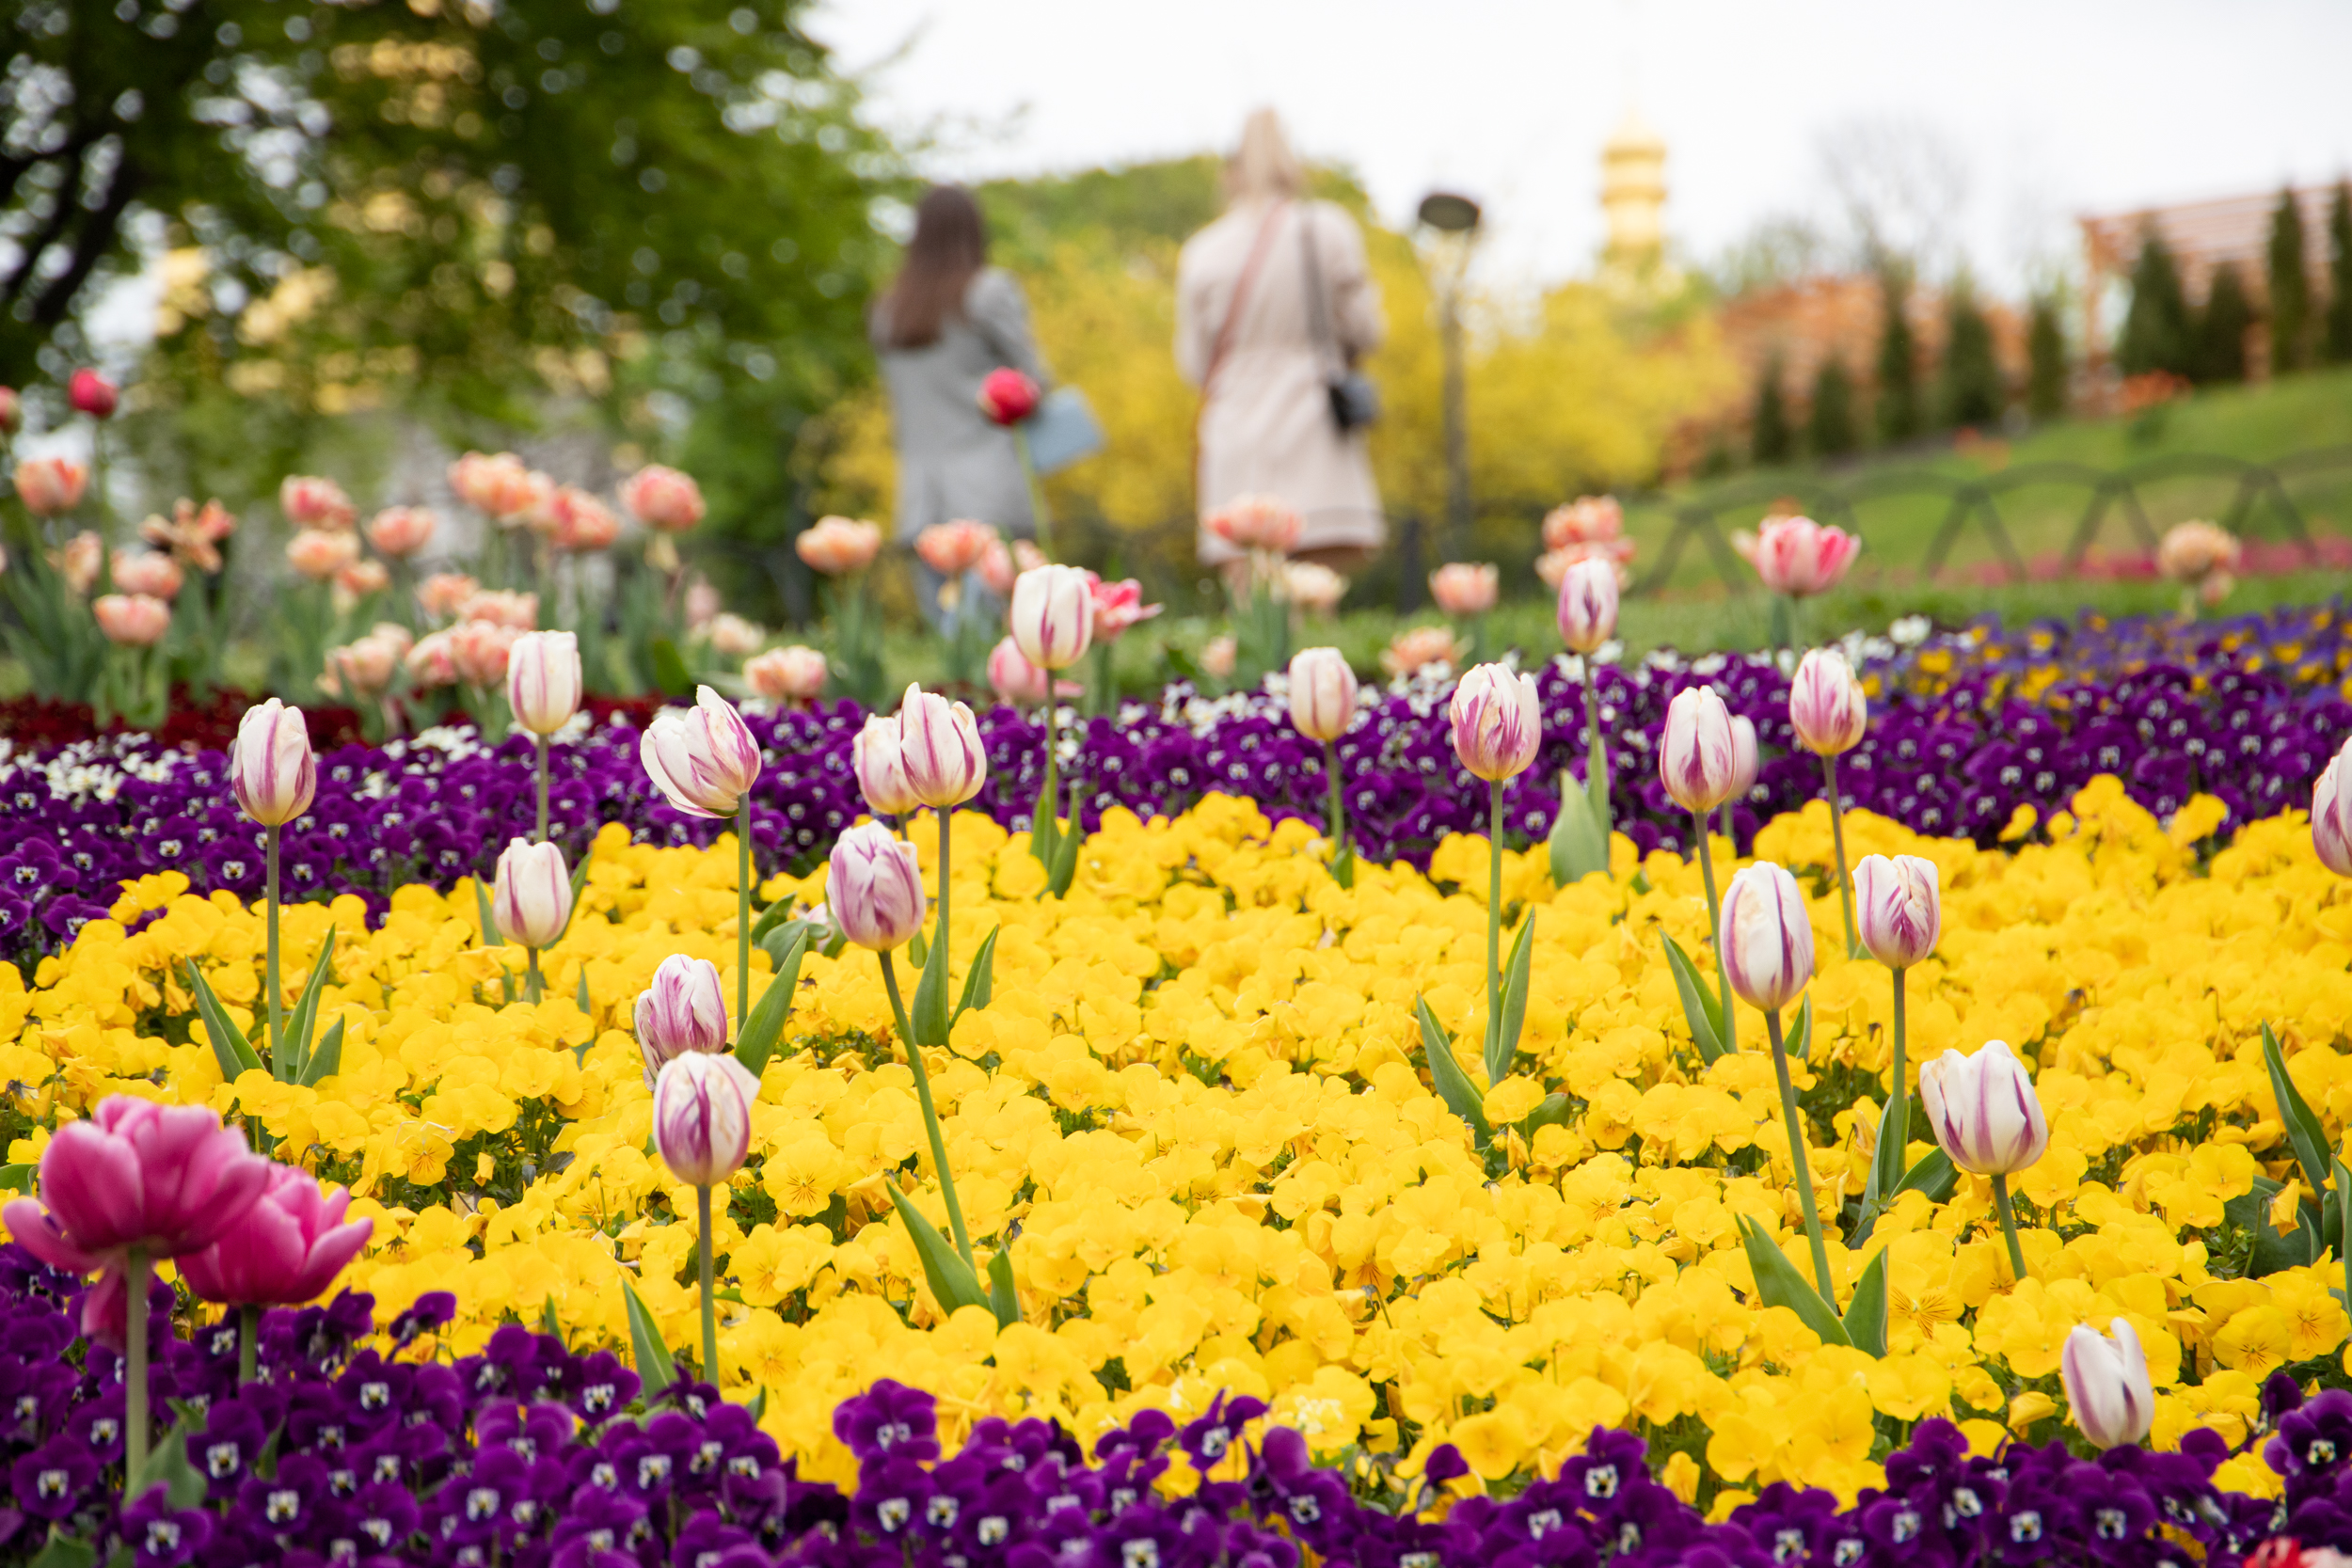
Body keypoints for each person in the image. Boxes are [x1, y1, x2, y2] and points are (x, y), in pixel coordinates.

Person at [1177, 109, 1386, 580]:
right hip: (1312, 418)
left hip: (1234, 426)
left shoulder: (1203, 250)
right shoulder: (1326, 228)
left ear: (1230, 174)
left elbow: (1193, 363)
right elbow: (1366, 330)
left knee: (1250, 593)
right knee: (1316, 591)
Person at [870, 184, 1047, 625]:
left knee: (949, 642)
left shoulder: (888, 310)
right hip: (990, 486)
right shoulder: (988, 291)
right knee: (1001, 631)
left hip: (921, 497)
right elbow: (1035, 381)